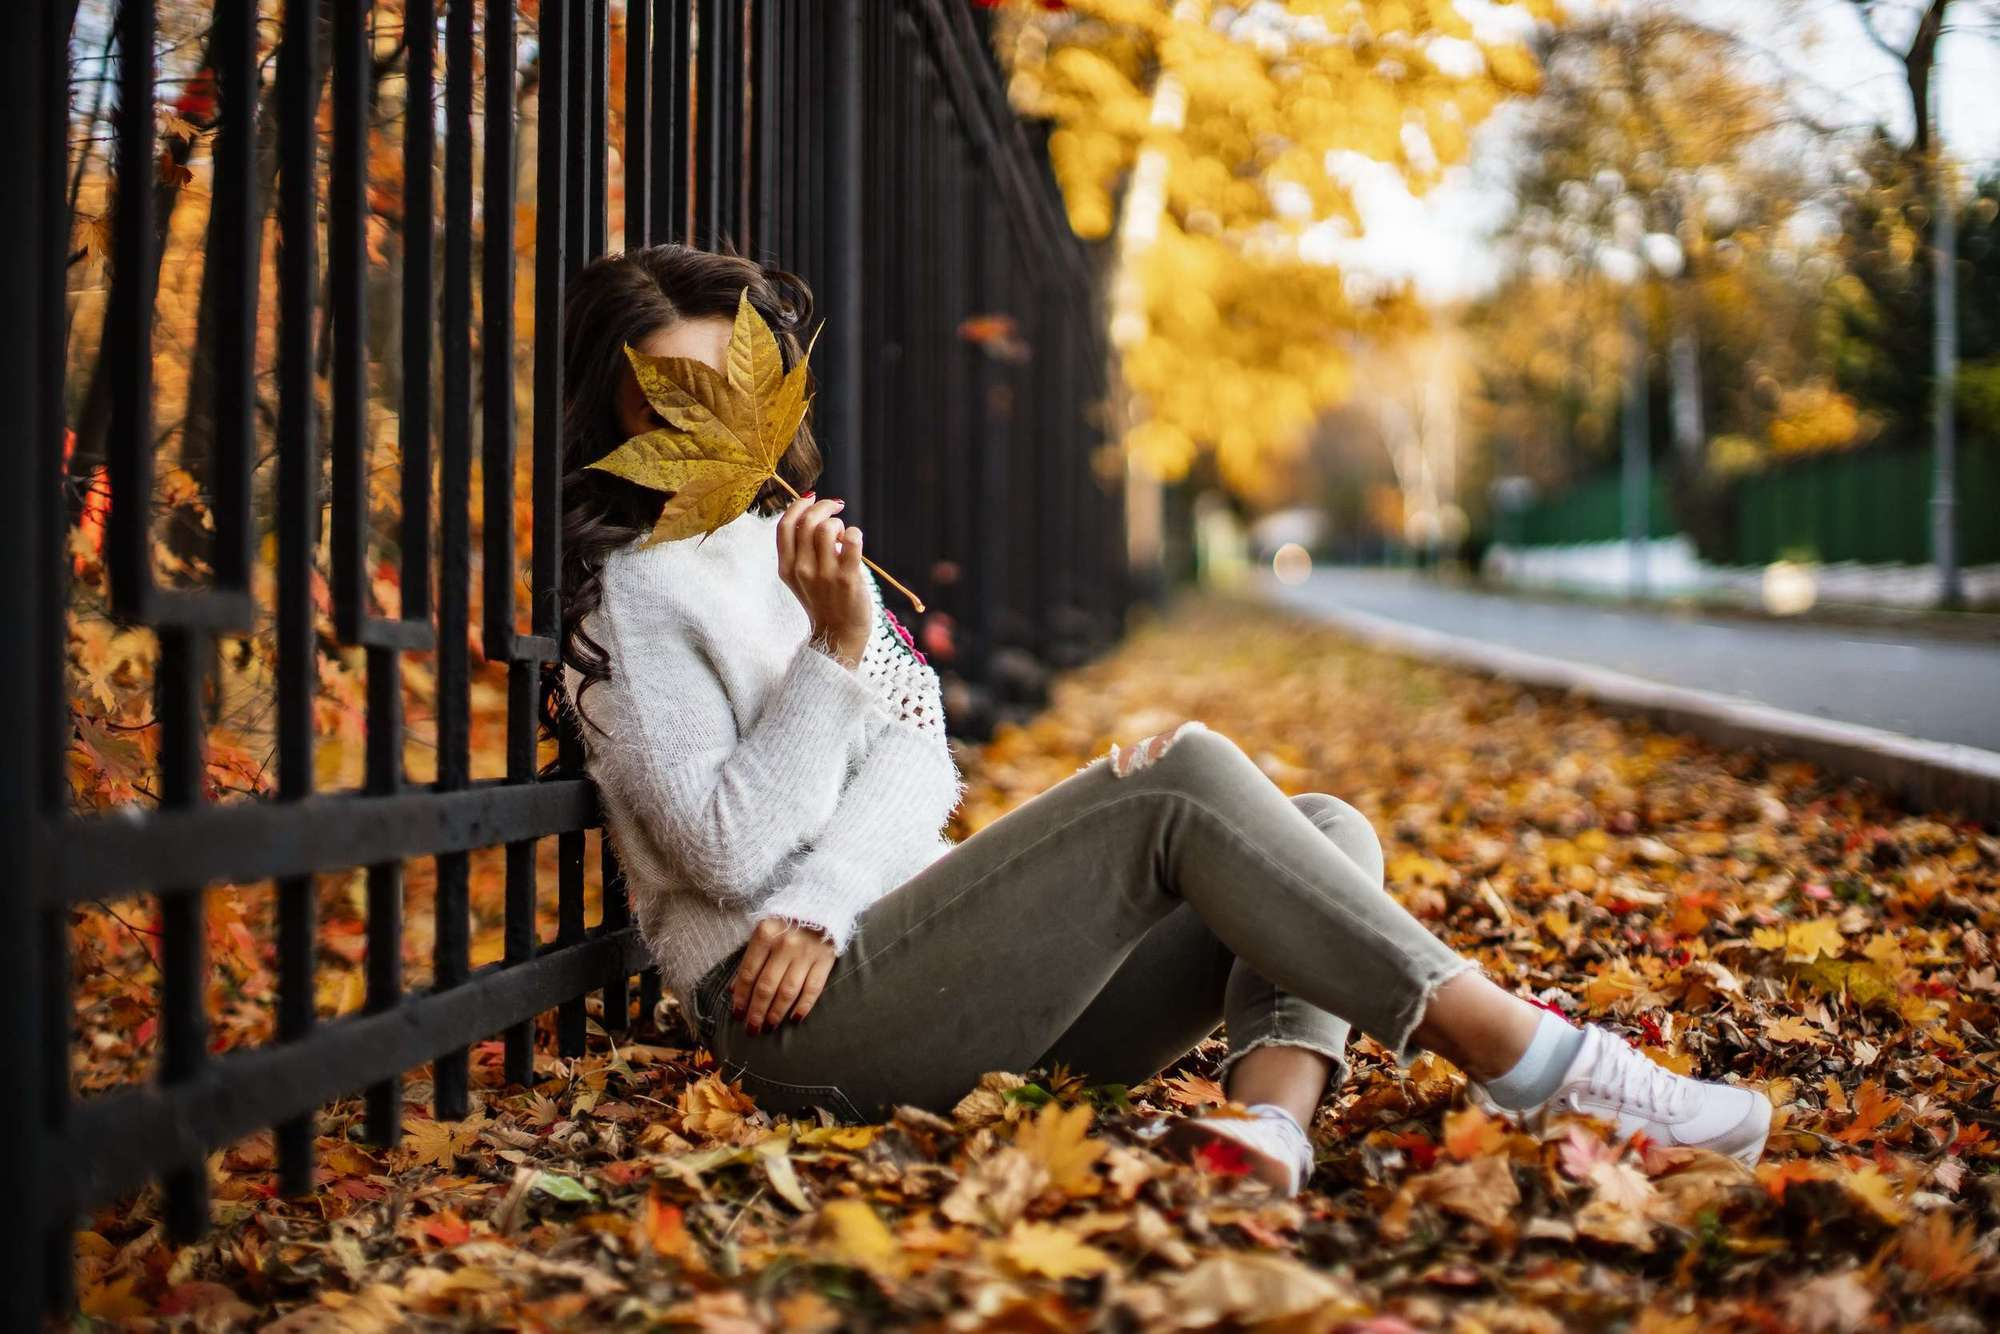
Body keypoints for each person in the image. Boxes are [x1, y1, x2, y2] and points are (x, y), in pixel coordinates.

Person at [547, 244, 1770, 1197]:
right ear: (617, 419)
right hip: (803, 1028)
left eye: (730, 385)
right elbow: (723, 848)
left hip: (922, 973)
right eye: (671, 396)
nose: (711, 421)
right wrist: (828, 658)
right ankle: (1542, 1065)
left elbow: (921, 760)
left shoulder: (796, 547)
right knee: (1177, 780)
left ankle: (1265, 1132)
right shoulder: (638, 596)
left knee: (1325, 825)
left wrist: (823, 885)